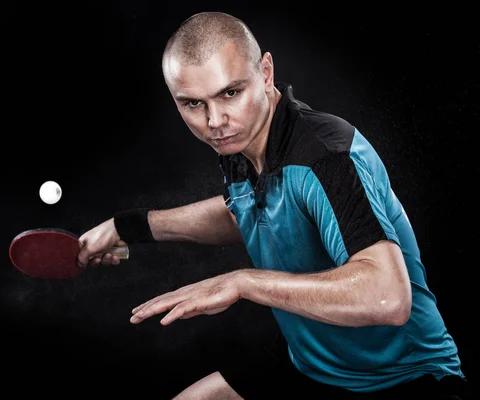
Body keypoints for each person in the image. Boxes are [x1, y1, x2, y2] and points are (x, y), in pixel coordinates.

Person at [75, 11, 469, 399]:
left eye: (230, 93)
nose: (215, 120)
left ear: (265, 72)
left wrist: (244, 282)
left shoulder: (325, 157)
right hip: (310, 365)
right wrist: (125, 227)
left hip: (403, 378)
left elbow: (389, 296)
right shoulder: (240, 143)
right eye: (193, 104)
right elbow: (250, 212)